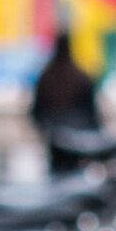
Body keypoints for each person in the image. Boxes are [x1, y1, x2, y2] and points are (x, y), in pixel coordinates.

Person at [29, 30, 101, 166]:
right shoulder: (81, 77)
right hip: (79, 141)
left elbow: (36, 112)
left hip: (55, 139)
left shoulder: (46, 78)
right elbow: (92, 114)